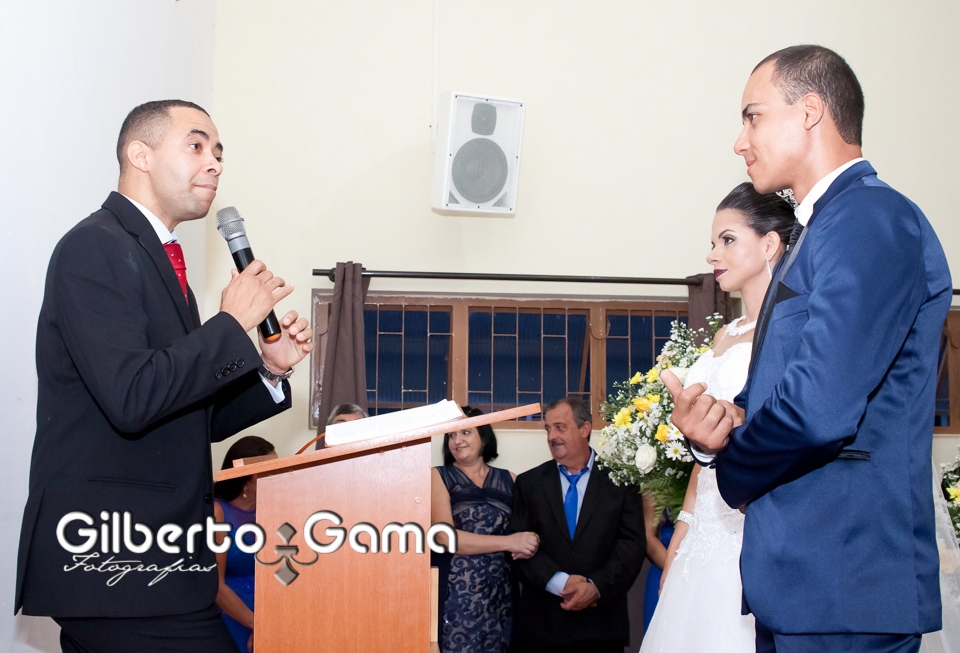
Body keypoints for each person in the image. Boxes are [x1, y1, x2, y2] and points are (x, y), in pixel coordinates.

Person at [663, 45, 951, 652]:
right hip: (805, 578)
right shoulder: (820, 230)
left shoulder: (869, 217)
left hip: (845, 572)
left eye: (753, 117)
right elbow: (783, 391)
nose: (740, 142)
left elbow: (820, 407)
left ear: (810, 111)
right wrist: (716, 424)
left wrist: (732, 469)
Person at [16, 100, 314, 652]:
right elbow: (133, 397)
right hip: (116, 562)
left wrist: (270, 370)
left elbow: (186, 414)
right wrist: (230, 324)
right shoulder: (96, 246)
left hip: (160, 563)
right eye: (196, 146)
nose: (214, 163)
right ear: (141, 155)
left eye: (219, 152)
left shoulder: (160, 259)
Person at [640, 183, 797, 652]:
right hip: (706, 523)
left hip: (755, 521)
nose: (712, 254)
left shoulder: (794, 328)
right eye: (713, 242)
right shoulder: (725, 334)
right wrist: (685, 527)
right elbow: (703, 447)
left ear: (769, 244)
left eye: (727, 240)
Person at [509, 398, 646, 653]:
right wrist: (560, 582)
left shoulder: (621, 481)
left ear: (585, 429)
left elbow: (631, 545)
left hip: (601, 625)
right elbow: (517, 547)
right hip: (543, 627)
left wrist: (596, 587)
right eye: (548, 429)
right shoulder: (529, 483)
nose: (552, 436)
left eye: (560, 427)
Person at [430, 406, 538, 653]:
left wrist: (530, 542)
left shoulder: (511, 479)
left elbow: (527, 532)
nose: (457, 440)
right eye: (451, 435)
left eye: (465, 432)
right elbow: (445, 537)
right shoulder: (439, 476)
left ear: (484, 437)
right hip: (456, 593)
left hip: (501, 593)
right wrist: (508, 542)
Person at [213, 436, 278, 653]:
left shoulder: (276, 508)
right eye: (270, 469)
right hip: (233, 615)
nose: (278, 475)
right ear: (245, 478)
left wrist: (270, 620)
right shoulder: (218, 513)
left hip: (274, 612)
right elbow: (215, 585)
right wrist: (256, 624)